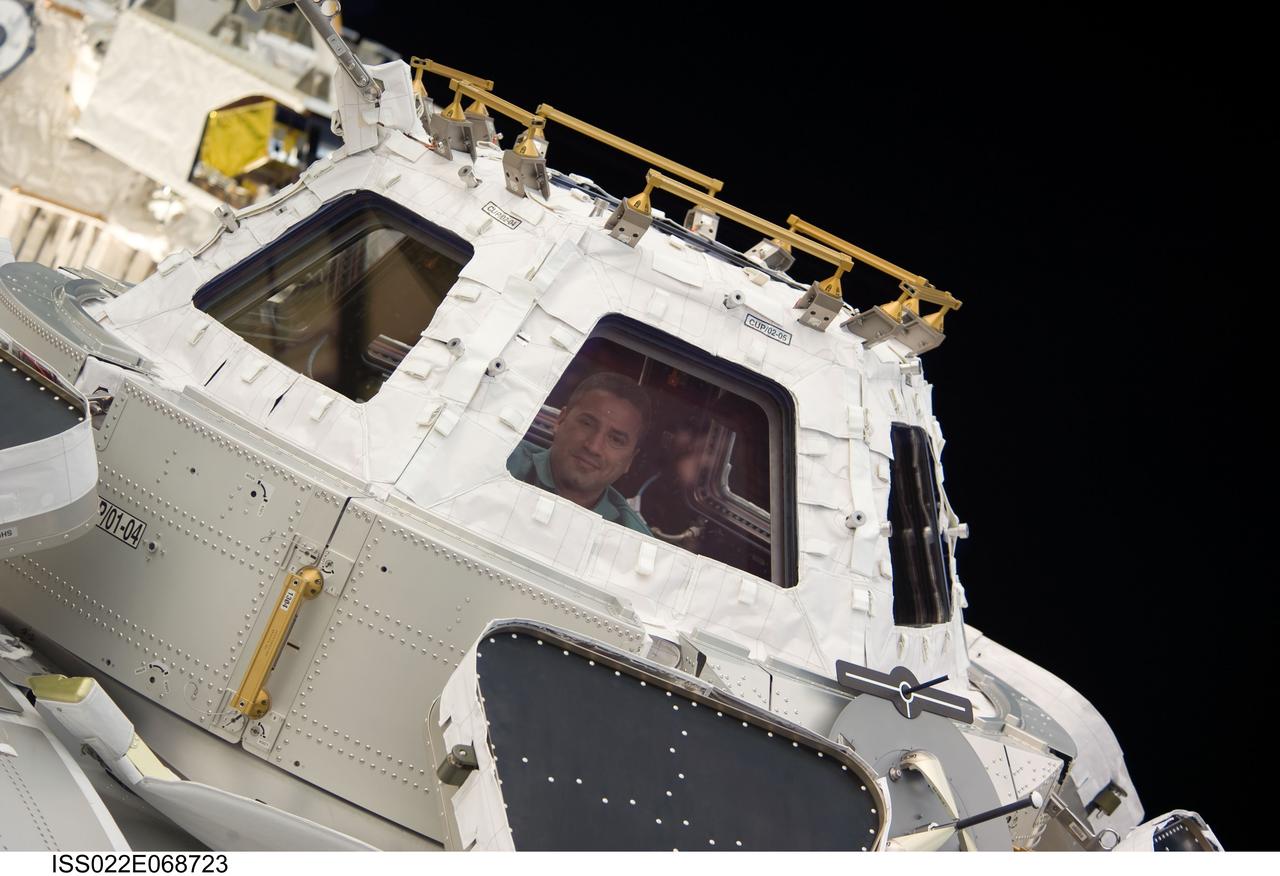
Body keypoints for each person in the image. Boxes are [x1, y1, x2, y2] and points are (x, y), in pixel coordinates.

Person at [506, 371, 652, 535]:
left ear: (629, 461)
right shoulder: (499, 458)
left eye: (616, 440)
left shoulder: (634, 539)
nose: (593, 447)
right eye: (587, 424)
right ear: (560, 421)